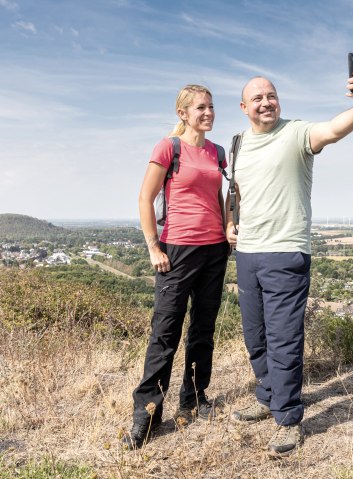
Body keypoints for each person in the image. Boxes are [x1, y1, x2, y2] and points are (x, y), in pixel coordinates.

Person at [226, 68, 353, 457]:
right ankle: (266, 396)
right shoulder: (238, 143)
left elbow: (334, 129)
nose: (266, 101)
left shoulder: (296, 133)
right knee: (255, 336)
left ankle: (288, 418)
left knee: (284, 340)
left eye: (271, 95)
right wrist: (230, 224)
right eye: (257, 98)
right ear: (244, 107)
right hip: (247, 253)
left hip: (286, 251)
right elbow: (236, 194)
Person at [123, 84, 230, 449]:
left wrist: (228, 225)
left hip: (214, 249)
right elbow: (145, 197)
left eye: (212, 107)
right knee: (165, 333)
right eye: (201, 107)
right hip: (177, 250)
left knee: (203, 328)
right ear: (183, 113)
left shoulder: (217, 152)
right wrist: (154, 246)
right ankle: (147, 416)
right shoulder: (168, 148)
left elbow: (218, 197)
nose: (209, 113)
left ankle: (195, 399)